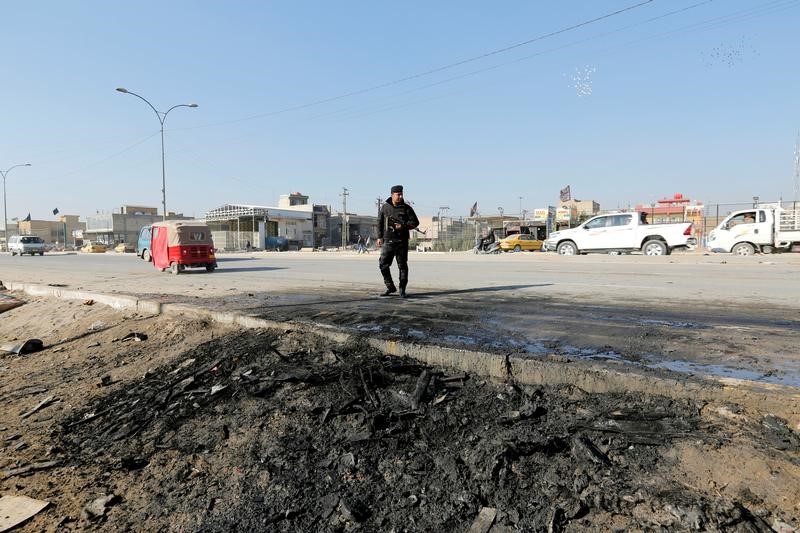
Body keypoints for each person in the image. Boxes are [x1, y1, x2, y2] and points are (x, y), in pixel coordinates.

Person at [377, 184, 419, 298]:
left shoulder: (406, 208)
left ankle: (402, 290)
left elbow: (415, 222)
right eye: (398, 194)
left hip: (402, 241)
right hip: (388, 241)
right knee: (383, 264)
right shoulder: (385, 207)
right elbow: (379, 222)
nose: (400, 196)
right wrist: (379, 237)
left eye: (401, 194)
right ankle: (390, 287)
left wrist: (403, 226)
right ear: (392, 195)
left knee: (402, 266)